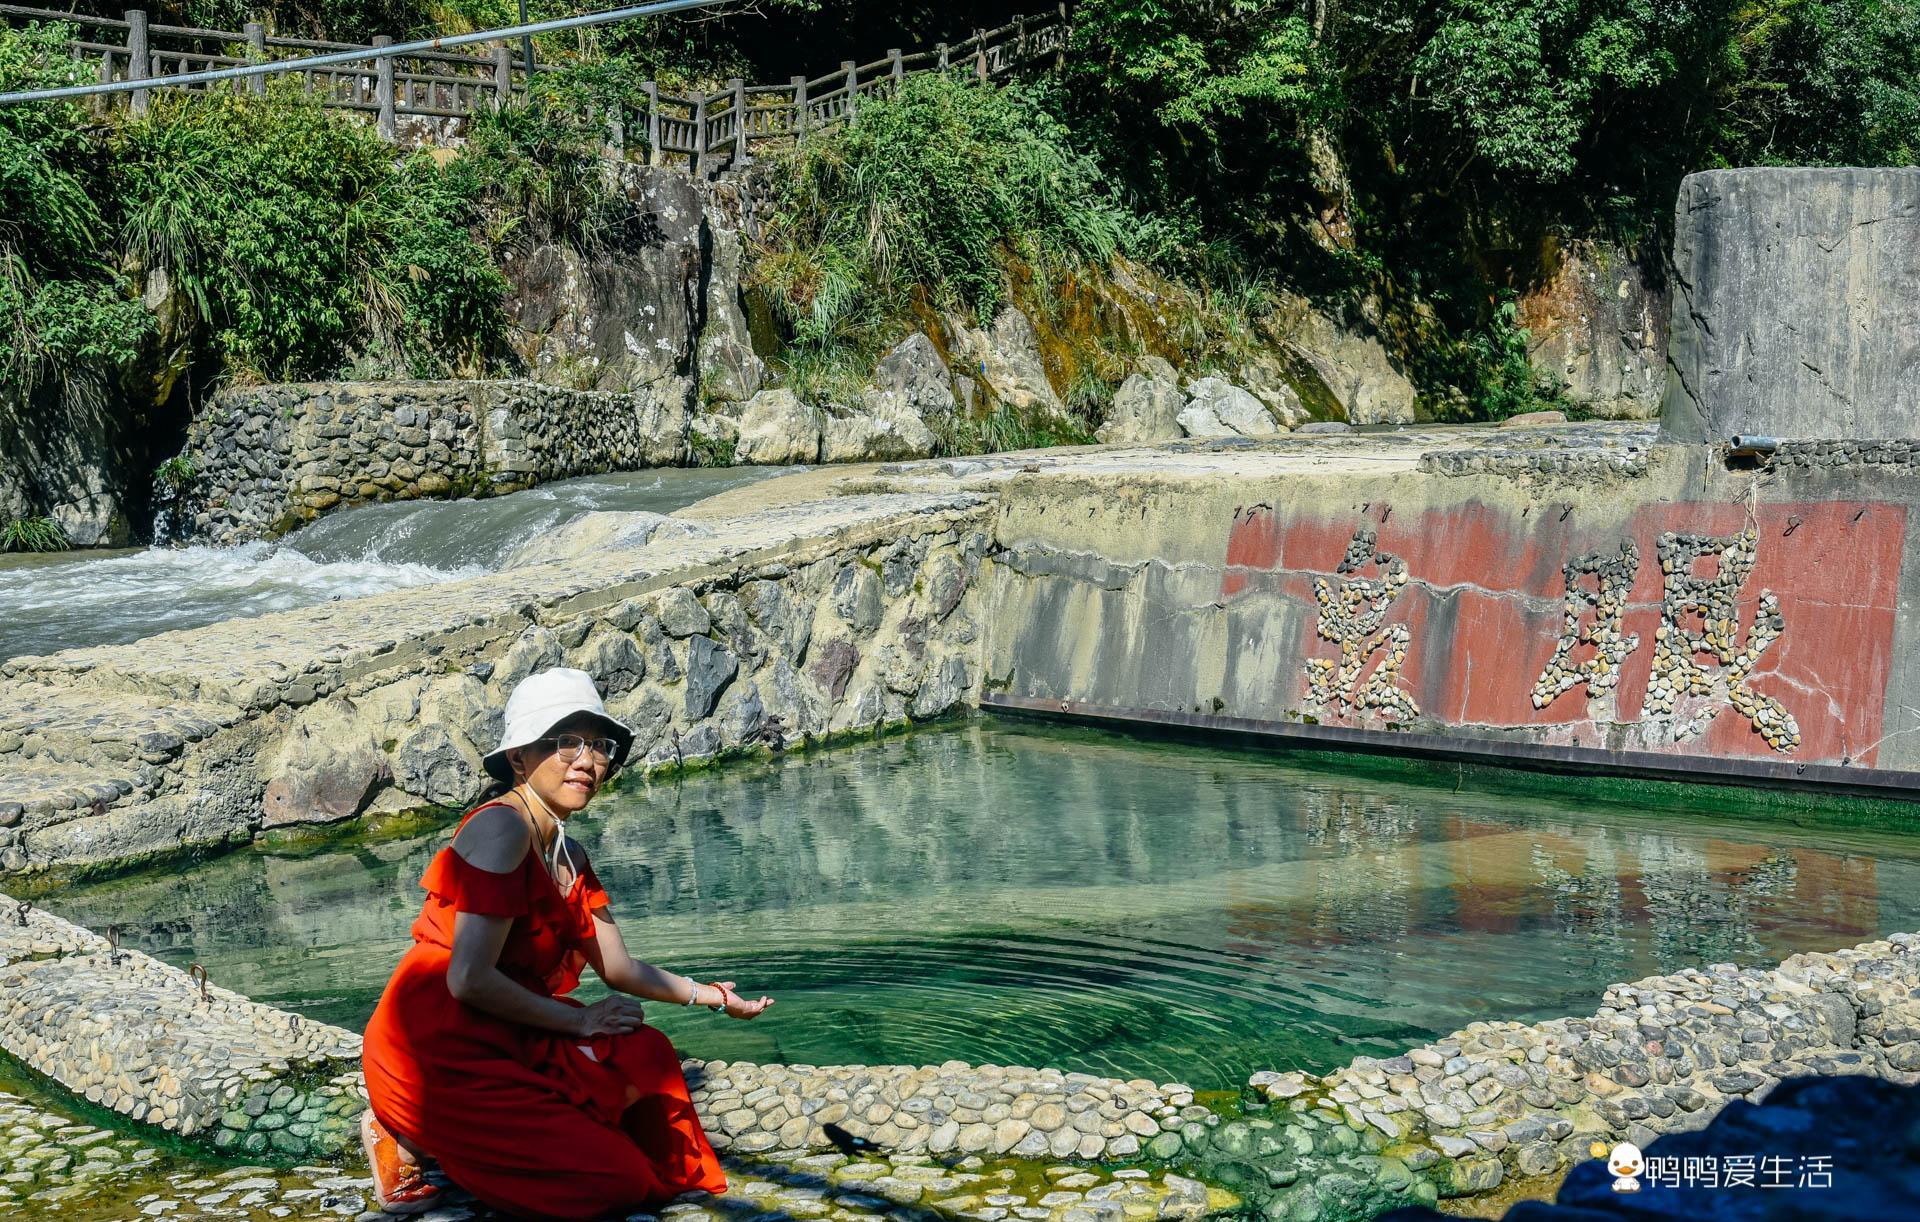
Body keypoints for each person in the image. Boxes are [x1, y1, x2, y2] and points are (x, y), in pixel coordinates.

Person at [359, 666, 774, 1217]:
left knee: (644, 1053)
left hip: (507, 1029)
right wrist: (580, 1021)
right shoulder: (500, 829)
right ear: (519, 759)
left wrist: (715, 997)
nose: (587, 760)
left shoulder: (568, 852)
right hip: (436, 1049)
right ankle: (404, 1131)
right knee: (616, 1183)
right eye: (565, 742)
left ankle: (499, 1134)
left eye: (598, 744)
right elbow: (468, 979)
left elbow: (620, 969)